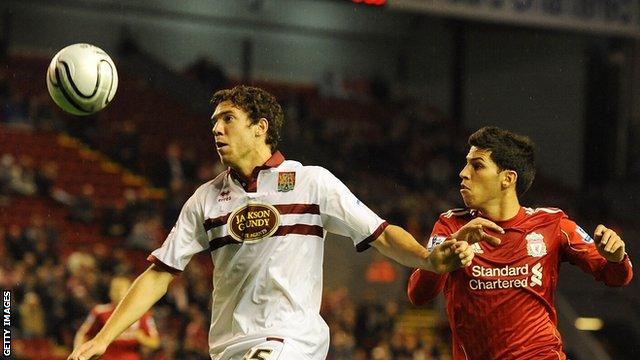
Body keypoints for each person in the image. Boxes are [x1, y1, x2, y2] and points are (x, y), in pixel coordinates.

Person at [68, 85, 501, 360]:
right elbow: (159, 274)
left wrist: (429, 259)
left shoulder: (311, 182)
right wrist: (103, 339)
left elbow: (380, 232)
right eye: (213, 122)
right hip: (227, 348)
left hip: (290, 341)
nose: (216, 129)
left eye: (227, 119)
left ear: (260, 128)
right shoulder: (204, 199)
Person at [407, 126, 633, 360]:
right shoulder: (451, 226)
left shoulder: (553, 224)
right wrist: (449, 251)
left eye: (477, 165)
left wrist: (617, 257)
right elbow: (417, 295)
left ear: (508, 178)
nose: (463, 173)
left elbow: (617, 277)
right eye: (466, 164)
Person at [73, 276, 160, 360]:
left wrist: (141, 338)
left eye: (121, 289)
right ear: (110, 292)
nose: (118, 293)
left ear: (130, 292)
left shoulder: (142, 313)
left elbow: (155, 343)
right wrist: (78, 353)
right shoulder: (100, 312)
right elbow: (82, 334)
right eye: (115, 289)